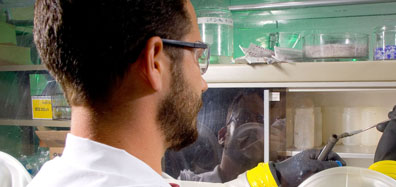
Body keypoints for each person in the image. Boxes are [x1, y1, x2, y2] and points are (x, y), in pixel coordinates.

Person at [28, 0, 345, 187]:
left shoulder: (52, 177)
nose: (203, 83)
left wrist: (270, 177)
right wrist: (390, 172)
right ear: (155, 62)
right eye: (196, 55)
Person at [177, 91, 286, 182]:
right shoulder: (191, 183)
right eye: (244, 118)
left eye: (260, 121)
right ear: (222, 136)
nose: (253, 128)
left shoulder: (276, 183)